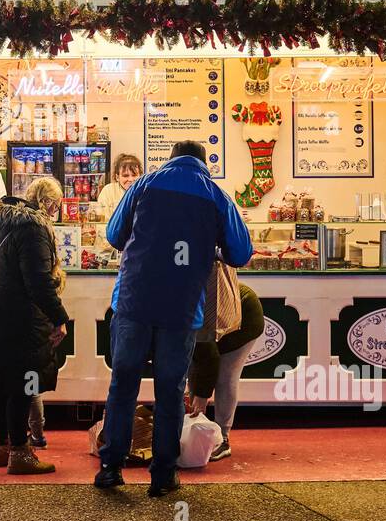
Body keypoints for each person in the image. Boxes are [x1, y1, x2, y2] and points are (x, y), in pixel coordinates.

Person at [94, 141, 253, 497]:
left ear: (171, 159)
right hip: (180, 309)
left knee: (123, 385)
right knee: (169, 390)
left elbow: (113, 235)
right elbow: (240, 252)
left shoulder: (143, 184)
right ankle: (163, 475)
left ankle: (110, 469)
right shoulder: (216, 195)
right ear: (203, 163)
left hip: (133, 303)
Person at [0, 177, 68, 475]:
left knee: (0, 383)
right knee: (25, 382)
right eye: (57, 206)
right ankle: (21, 453)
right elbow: (38, 282)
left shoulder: (2, 222)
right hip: (19, 314)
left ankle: (0, 448)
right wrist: (59, 317)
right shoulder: (34, 229)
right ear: (49, 204)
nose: (56, 211)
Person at [189, 279, 265, 461]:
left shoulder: (190, 312)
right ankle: (196, 430)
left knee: (226, 376)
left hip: (244, 316)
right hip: (213, 316)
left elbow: (209, 356)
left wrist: (201, 397)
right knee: (195, 369)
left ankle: (222, 438)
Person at [94, 153, 142, 222]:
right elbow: (102, 219)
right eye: (125, 176)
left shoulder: (146, 191)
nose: (130, 179)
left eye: (134, 175)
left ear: (140, 176)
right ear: (117, 177)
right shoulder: (108, 191)